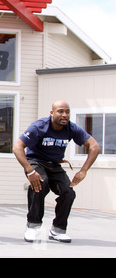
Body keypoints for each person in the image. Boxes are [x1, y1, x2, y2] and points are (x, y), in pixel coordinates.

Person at [13, 100, 100, 243]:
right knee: (40, 183)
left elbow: (94, 146)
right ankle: (33, 226)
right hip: (35, 162)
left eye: (67, 111)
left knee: (68, 192)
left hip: (54, 165)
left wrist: (83, 170)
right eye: (60, 111)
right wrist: (29, 171)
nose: (64, 115)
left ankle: (58, 230)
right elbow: (17, 147)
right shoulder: (39, 126)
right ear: (52, 113)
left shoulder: (71, 128)